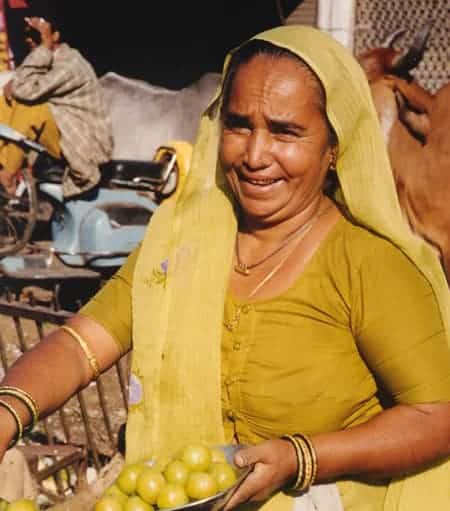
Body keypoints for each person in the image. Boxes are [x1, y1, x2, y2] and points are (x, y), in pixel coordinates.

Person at [0, 24, 449, 510]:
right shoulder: (183, 247)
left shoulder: (367, 264)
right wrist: (7, 411)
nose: (256, 155)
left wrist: (301, 456)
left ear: (334, 146)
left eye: (285, 131)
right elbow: (81, 344)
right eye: (239, 125)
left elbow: (435, 414)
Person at [0, 16, 113, 197]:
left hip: (84, 143)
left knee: (31, 107)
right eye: (28, 35)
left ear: (55, 36)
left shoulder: (70, 65)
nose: (30, 40)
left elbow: (24, 90)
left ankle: (9, 174)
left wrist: (43, 46)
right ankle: (4, 163)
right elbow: (23, 82)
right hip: (62, 129)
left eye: (38, 36)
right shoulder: (47, 60)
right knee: (5, 101)